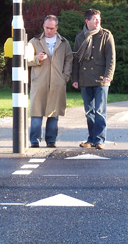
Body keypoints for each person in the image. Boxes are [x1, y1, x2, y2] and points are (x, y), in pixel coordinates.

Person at [72, 9, 116, 150]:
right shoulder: (80, 37)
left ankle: (100, 140)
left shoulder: (106, 35)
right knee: (89, 112)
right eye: (95, 19)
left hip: (101, 79)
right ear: (87, 21)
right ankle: (90, 139)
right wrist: (75, 78)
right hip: (85, 79)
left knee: (100, 111)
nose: (98, 22)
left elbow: (111, 58)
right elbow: (76, 59)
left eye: (99, 19)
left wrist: (108, 74)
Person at [28, 15, 73, 148]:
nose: (49, 31)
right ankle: (34, 141)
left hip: (57, 82)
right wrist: (37, 58)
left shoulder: (64, 43)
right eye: (47, 27)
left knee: (54, 113)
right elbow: (25, 60)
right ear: (43, 26)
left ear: (56, 28)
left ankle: (51, 141)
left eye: (52, 28)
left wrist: (65, 77)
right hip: (39, 82)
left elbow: (69, 60)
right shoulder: (34, 41)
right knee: (36, 112)